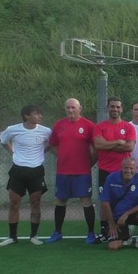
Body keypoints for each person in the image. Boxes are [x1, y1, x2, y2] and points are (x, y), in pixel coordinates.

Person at [0, 105, 52, 247]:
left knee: (35, 203)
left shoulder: (46, 131)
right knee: (14, 203)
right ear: (27, 116)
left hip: (36, 172)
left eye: (40, 114)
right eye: (36, 114)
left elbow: (50, 145)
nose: (40, 116)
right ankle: (12, 237)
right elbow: (3, 141)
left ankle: (34, 236)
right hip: (18, 171)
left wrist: (41, 152)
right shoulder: (13, 129)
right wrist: (13, 153)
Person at [46, 98, 96, 244]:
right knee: (60, 200)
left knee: (86, 200)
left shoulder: (88, 125)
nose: (70, 110)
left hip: (82, 172)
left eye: (73, 107)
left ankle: (91, 233)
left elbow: (96, 148)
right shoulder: (59, 125)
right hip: (63, 171)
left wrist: (88, 163)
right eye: (68, 108)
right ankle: (57, 232)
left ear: (80, 108)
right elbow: (53, 145)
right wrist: (63, 156)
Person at [94, 96, 136, 243]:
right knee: (105, 201)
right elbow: (98, 146)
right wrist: (118, 142)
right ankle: (104, 230)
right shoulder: (100, 127)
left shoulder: (128, 127)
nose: (115, 109)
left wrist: (107, 144)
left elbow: (129, 147)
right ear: (108, 108)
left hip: (124, 172)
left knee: (123, 200)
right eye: (112, 106)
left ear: (122, 109)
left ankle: (123, 228)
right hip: (105, 170)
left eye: (118, 107)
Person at [99, 157, 138, 251]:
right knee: (113, 247)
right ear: (121, 168)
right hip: (117, 218)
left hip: (132, 214)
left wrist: (126, 214)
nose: (128, 171)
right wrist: (111, 223)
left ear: (136, 169)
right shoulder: (111, 178)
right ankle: (127, 234)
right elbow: (105, 202)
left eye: (131, 168)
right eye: (126, 168)